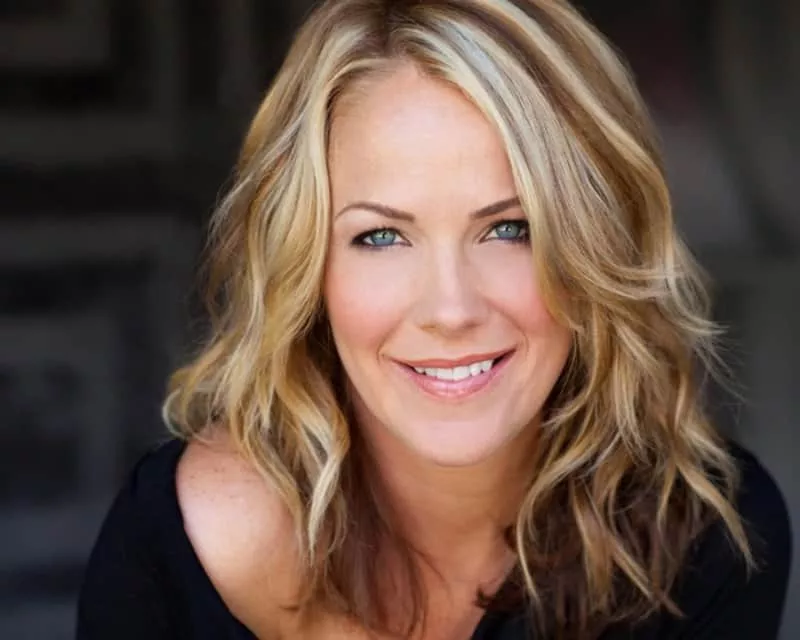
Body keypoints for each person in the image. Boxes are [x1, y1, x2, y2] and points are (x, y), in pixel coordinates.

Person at [76, 1, 792, 638]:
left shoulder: (709, 543)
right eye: (381, 236)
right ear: (307, 268)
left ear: (596, 247)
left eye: (510, 229)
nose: (451, 310)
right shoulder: (180, 546)